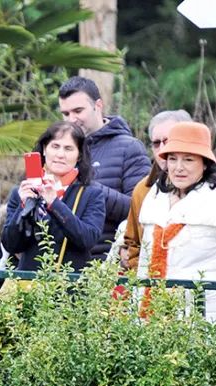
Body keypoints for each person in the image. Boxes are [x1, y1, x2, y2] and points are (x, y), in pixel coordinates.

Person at [136, 122, 216, 329]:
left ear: (205, 163)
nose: (178, 167)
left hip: (207, 324)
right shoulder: (154, 200)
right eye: (172, 159)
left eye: (189, 159)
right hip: (156, 320)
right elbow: (143, 269)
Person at [124, 109, 216, 271]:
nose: (163, 147)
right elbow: (133, 246)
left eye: (168, 140)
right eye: (156, 143)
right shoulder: (145, 191)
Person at [57, 76, 150, 259]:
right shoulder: (57, 149)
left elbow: (141, 212)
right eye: (66, 114)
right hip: (57, 264)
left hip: (106, 264)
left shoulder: (129, 148)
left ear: (98, 106)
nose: (72, 119)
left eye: (78, 111)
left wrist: (85, 186)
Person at [2, 121, 106, 271]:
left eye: (69, 149)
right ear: (44, 149)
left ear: (79, 156)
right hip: (28, 286)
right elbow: (11, 244)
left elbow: (87, 239)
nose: (60, 155)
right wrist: (23, 208)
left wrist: (54, 203)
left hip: (70, 287)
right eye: (55, 146)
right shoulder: (22, 191)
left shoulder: (92, 194)